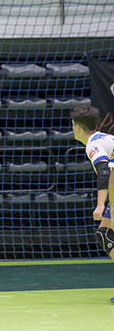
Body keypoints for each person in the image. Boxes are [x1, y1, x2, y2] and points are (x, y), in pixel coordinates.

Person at [71, 105, 114, 301]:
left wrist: (100, 205)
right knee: (105, 233)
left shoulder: (93, 145)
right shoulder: (106, 138)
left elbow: (104, 170)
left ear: (77, 127)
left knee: (106, 233)